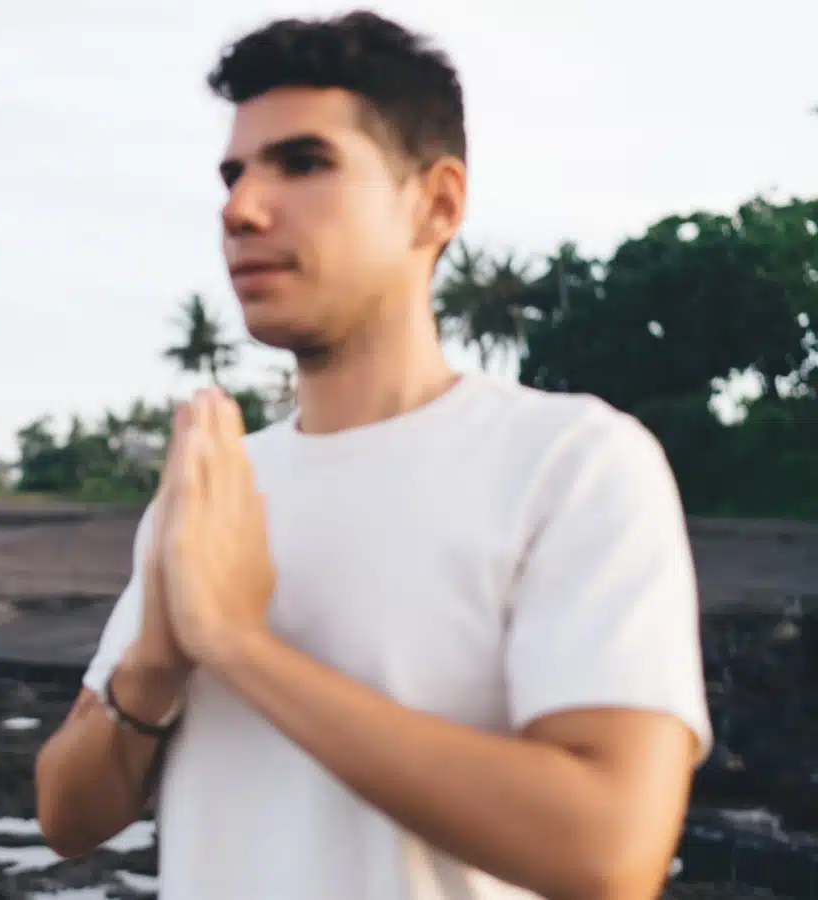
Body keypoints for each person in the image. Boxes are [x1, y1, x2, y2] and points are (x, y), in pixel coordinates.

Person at [34, 11, 710, 900]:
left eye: (304, 163)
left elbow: (609, 851)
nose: (240, 207)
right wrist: (158, 661)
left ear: (437, 201)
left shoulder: (572, 463)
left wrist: (237, 644)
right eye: (233, 173)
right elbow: (67, 816)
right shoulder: (218, 487)